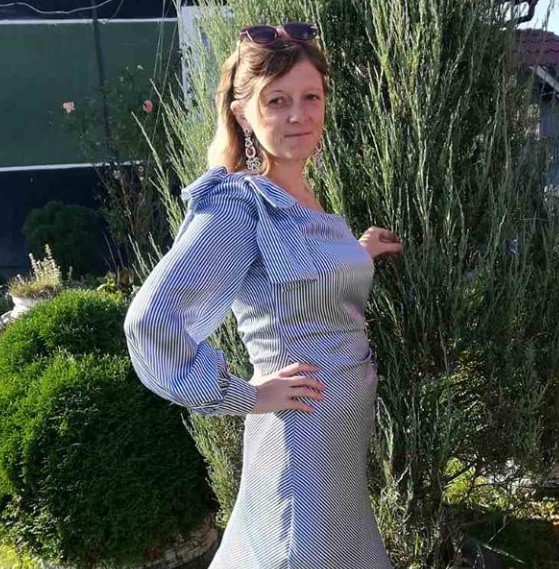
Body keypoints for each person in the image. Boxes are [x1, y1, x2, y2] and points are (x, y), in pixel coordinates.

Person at [124, 22, 402, 569]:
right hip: (300, 438)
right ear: (243, 114)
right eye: (277, 101)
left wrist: (357, 252)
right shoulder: (239, 203)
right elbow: (151, 321)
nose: (299, 115)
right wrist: (248, 396)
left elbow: (301, 278)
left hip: (340, 440)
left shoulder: (299, 196)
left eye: (310, 97)